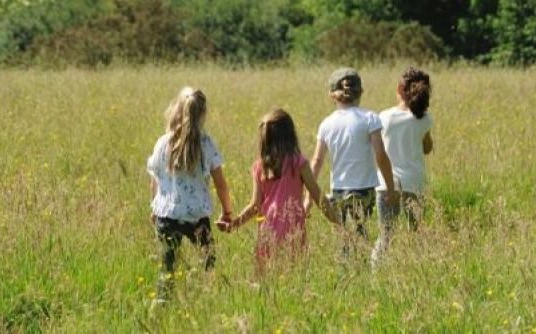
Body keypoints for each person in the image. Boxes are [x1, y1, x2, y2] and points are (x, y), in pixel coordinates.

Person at [219, 109, 340, 275]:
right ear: (290, 135)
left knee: (266, 276)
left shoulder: (259, 167)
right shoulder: (299, 163)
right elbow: (318, 196)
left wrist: (234, 224)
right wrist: (338, 221)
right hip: (293, 228)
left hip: (267, 229)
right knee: (293, 275)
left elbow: (255, 206)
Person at [146, 86, 232, 303]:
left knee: (167, 268)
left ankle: (161, 305)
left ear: (176, 110)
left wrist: (154, 207)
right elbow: (220, 184)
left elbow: (155, 179)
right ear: (203, 114)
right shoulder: (206, 143)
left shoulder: (163, 142)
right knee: (208, 263)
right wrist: (227, 211)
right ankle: (209, 302)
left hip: (167, 215)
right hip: (196, 217)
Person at [305, 67, 399, 260]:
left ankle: (347, 269)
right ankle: (360, 270)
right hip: (364, 189)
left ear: (332, 95)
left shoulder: (326, 124)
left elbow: (316, 162)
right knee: (360, 231)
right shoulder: (370, 118)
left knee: (344, 234)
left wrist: (307, 200)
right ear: (361, 92)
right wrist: (390, 188)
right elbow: (380, 155)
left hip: (338, 190)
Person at [372, 67, 434, 267]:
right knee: (414, 234)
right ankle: (414, 271)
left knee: (386, 235)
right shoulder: (425, 119)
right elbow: (427, 148)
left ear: (400, 88)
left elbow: (377, 150)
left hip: (386, 184)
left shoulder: (384, 117)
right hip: (414, 183)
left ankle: (376, 273)